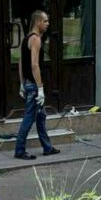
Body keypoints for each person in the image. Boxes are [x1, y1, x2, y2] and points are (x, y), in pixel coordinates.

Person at [13, 10, 61, 161]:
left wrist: (22, 83)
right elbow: (34, 65)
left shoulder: (26, 38)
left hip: (28, 83)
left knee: (41, 116)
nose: (47, 24)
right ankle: (19, 150)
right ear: (38, 22)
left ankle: (47, 147)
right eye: (45, 21)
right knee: (29, 117)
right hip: (34, 86)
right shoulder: (36, 39)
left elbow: (21, 63)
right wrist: (40, 88)